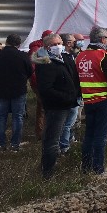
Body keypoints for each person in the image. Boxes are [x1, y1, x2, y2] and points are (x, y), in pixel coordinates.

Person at [33, 33, 80, 178]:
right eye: (54, 44)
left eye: (60, 43)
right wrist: (65, 97)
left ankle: (54, 164)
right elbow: (46, 89)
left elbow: (74, 77)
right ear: (46, 47)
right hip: (56, 107)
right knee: (52, 140)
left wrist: (76, 94)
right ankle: (47, 173)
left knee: (64, 132)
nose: (58, 46)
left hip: (70, 103)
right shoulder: (46, 63)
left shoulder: (64, 58)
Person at [76, 27, 107, 174]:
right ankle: (99, 169)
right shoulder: (104, 56)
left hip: (88, 100)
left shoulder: (81, 56)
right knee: (101, 136)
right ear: (102, 40)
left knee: (89, 134)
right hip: (104, 100)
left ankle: (86, 166)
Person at [0, 34, 33, 152]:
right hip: (18, 90)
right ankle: (15, 145)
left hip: (1, 90)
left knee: (1, 117)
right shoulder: (23, 56)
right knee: (18, 117)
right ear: (19, 44)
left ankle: (1, 144)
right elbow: (30, 71)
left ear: (6, 42)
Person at [58, 33, 82, 154]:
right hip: (70, 95)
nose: (76, 43)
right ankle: (64, 146)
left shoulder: (69, 56)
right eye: (74, 41)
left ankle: (68, 140)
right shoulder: (64, 57)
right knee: (67, 123)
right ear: (68, 43)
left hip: (73, 94)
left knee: (70, 122)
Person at [29, 30, 54, 141]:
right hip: (40, 83)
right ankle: (41, 133)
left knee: (44, 107)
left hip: (45, 82)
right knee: (43, 108)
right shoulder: (36, 49)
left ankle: (44, 132)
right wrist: (37, 83)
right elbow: (33, 68)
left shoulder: (45, 47)